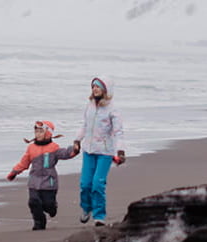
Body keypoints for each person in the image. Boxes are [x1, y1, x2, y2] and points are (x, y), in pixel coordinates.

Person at [7, 120, 80, 230]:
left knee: (48, 204)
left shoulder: (53, 147)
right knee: (33, 202)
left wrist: (74, 149)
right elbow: (24, 162)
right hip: (34, 182)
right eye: (36, 132)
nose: (38, 134)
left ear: (48, 133)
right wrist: (14, 172)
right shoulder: (31, 148)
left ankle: (52, 208)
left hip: (49, 183)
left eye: (41, 132)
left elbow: (65, 153)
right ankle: (38, 222)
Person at [74, 76, 125, 226]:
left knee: (98, 184)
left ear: (105, 90)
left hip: (105, 152)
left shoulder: (112, 109)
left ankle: (99, 216)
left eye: (98, 86)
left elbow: (118, 132)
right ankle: (86, 208)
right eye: (93, 86)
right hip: (88, 151)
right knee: (85, 184)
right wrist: (77, 140)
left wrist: (120, 151)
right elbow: (84, 125)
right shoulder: (89, 106)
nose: (95, 89)